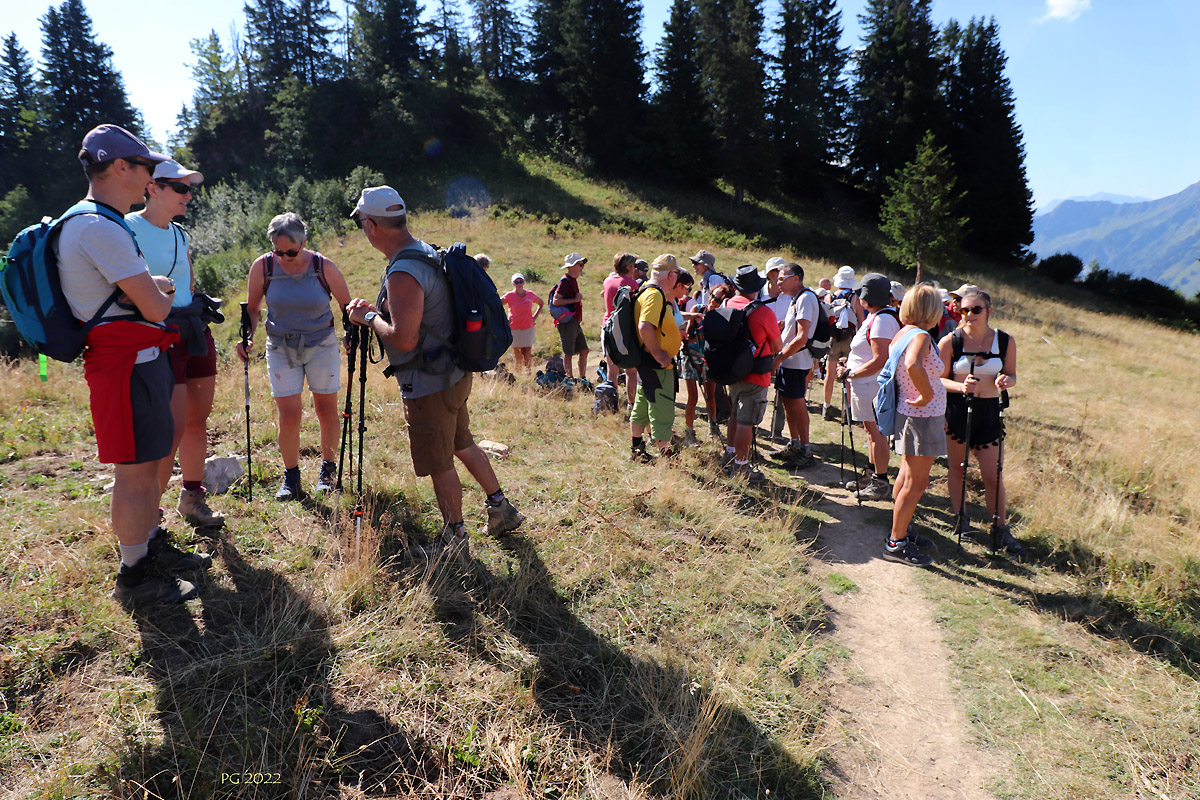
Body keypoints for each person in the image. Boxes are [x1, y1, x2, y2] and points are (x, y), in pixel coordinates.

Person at [60, 124, 210, 604]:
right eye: (145, 167)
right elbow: (157, 306)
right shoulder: (98, 228)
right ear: (121, 167)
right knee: (134, 472)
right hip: (123, 365)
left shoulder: (103, 223)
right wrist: (159, 288)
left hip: (140, 359)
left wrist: (154, 288)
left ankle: (148, 548)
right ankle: (134, 575)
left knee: (147, 466)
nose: (150, 177)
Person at [345, 186, 524, 558]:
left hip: (428, 384)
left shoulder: (403, 272)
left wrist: (369, 317)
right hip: (454, 373)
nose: (363, 228)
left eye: (362, 222)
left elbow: (405, 339)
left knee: (440, 462)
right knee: (461, 442)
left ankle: (454, 539)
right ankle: (500, 508)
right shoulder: (423, 250)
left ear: (373, 225)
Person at [125, 159, 224, 529]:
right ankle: (150, 513)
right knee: (172, 429)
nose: (188, 195)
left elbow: (188, 282)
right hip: (160, 337)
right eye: (180, 188)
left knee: (198, 420)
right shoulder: (127, 228)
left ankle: (192, 499)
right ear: (153, 187)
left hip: (194, 331)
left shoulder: (181, 234)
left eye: (190, 188)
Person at [236, 212, 352, 501]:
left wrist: (351, 334)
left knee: (326, 410)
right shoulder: (263, 266)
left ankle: (328, 471)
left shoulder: (322, 266)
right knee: (289, 416)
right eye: (279, 250)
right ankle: (291, 478)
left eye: (291, 250)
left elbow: (346, 305)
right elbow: (252, 307)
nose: (285, 256)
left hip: (321, 344)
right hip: (280, 347)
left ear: (305, 242)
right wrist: (247, 336)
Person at [938, 287, 1022, 553]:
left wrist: (1006, 381)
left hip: (989, 412)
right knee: (957, 468)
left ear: (989, 311)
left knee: (993, 475)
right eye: (964, 310)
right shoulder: (951, 341)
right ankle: (960, 518)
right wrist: (961, 387)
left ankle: (999, 529)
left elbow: (1011, 374)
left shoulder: (1005, 342)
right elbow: (938, 379)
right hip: (957, 410)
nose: (969, 315)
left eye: (976, 309)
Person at [884, 284, 946, 567]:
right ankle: (896, 543)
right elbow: (912, 365)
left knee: (906, 476)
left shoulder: (903, 332)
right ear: (932, 310)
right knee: (917, 482)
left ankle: (901, 530)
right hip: (921, 417)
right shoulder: (921, 335)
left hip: (909, 415)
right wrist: (926, 395)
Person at [836, 273, 901, 501]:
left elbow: (880, 359)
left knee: (876, 433)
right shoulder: (878, 316)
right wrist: (850, 363)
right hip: (865, 384)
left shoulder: (882, 319)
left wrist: (851, 372)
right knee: (871, 432)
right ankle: (872, 474)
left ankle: (880, 482)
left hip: (870, 385)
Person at [721, 266, 783, 483]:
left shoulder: (727, 304)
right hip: (756, 373)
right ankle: (741, 466)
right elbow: (776, 346)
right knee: (746, 421)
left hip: (731, 371)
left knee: (735, 416)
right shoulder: (764, 312)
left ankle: (729, 454)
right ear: (757, 288)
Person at [629, 255, 683, 461]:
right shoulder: (655, 295)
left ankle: (637, 450)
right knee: (662, 410)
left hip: (646, 363)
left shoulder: (645, 290)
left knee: (642, 406)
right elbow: (645, 325)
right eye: (676, 273)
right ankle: (667, 458)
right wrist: (658, 352)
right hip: (658, 366)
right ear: (671, 275)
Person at [769, 263, 818, 468]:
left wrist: (778, 358)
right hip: (790, 362)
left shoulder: (805, 298)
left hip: (796, 362)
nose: (778, 282)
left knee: (797, 404)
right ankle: (795, 445)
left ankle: (805, 450)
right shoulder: (796, 299)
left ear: (796, 278)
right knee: (788, 403)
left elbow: (801, 338)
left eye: (782, 278)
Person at [823, 266, 863, 421]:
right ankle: (848, 411)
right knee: (847, 376)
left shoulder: (830, 297)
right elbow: (861, 320)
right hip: (849, 340)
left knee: (830, 375)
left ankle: (826, 407)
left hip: (833, 339)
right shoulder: (855, 298)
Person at [601, 252, 640, 405]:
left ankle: (612, 404)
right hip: (624, 329)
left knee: (612, 371)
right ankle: (632, 405)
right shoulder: (631, 284)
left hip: (607, 326)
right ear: (629, 266)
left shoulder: (608, 280)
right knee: (631, 371)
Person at [673, 270, 705, 446]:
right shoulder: (669, 299)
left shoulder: (675, 303)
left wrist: (691, 316)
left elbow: (676, 316)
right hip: (674, 354)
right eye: (687, 287)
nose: (688, 291)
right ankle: (683, 433)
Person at [551, 253, 589, 379]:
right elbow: (556, 301)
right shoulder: (565, 282)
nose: (582, 267)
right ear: (572, 266)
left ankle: (582, 378)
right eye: (580, 264)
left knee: (584, 350)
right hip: (568, 323)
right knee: (569, 353)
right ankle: (570, 378)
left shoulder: (571, 280)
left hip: (573, 321)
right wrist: (575, 299)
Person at [500, 273, 542, 374]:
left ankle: (528, 372)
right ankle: (518, 373)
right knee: (517, 352)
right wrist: (505, 319)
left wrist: (534, 317)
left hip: (528, 327)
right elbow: (497, 305)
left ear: (524, 282)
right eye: (516, 281)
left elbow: (541, 303)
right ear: (513, 283)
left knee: (527, 351)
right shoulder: (509, 296)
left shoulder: (530, 294)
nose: (519, 283)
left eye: (521, 281)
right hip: (515, 327)